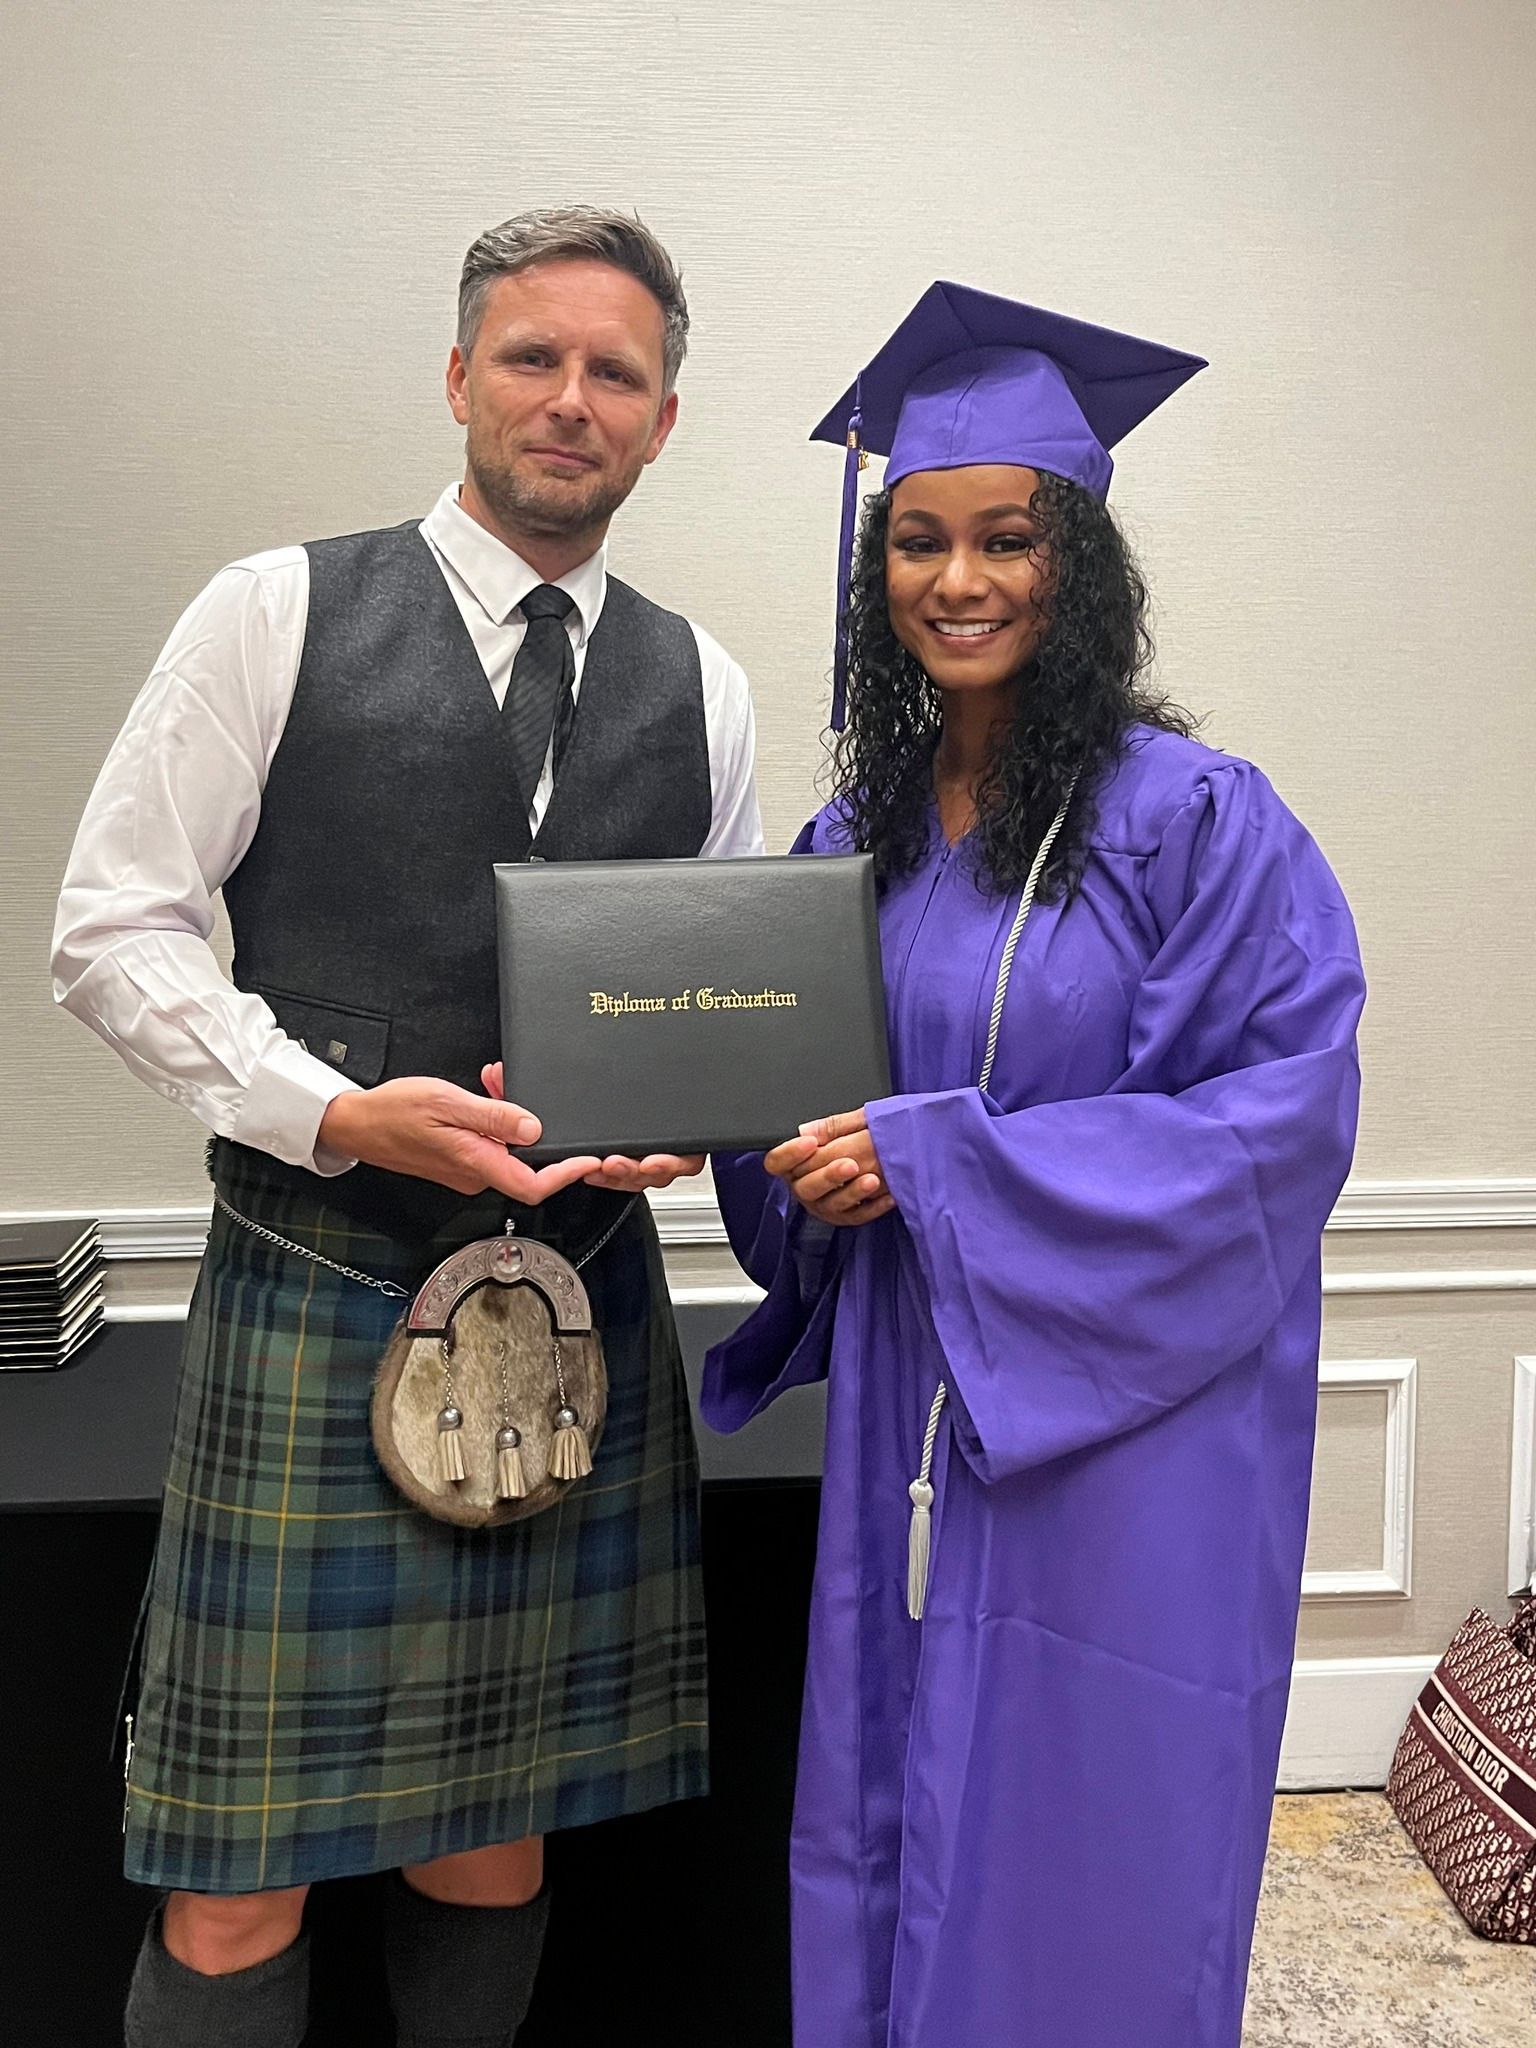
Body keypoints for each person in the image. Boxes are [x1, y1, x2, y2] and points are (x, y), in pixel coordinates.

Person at [53, 205, 762, 2048]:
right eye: (533, 357)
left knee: (493, 1835)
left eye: (616, 372)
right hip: (321, 1284)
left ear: (664, 419)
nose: (572, 398)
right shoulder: (272, 611)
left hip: (578, 1312)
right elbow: (112, 929)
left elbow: (705, 984)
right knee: (234, 1877)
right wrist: (334, 1111)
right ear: (459, 378)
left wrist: (686, 1118)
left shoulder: (708, 684)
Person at [702, 282, 1364, 2047]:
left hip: (1127, 1425)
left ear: (1081, 563)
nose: (959, 578)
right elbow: (790, 1108)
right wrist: (719, 1122)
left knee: (1093, 1823)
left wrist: (940, 1165)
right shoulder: (853, 841)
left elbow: (1278, 1123)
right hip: (914, 1391)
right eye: (918, 540)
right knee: (887, 1792)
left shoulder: (1199, 821)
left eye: (1008, 538)